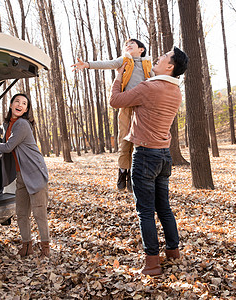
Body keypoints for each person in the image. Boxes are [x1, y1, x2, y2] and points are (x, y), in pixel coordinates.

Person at [109, 47, 189, 276]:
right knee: (163, 207)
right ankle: (173, 252)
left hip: (145, 155)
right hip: (164, 156)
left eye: (163, 57)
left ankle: (152, 263)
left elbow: (116, 101)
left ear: (170, 66)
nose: (158, 58)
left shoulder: (148, 88)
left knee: (145, 211)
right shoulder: (175, 90)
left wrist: (118, 76)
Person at [71, 38, 153, 192]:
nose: (127, 46)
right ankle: (123, 172)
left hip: (142, 110)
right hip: (126, 106)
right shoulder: (125, 60)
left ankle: (133, 177)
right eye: (126, 44)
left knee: (138, 144)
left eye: (132, 44)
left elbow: (159, 77)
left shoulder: (148, 65)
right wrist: (87, 64)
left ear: (141, 49)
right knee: (124, 142)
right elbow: (107, 63)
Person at [0, 93, 50, 258]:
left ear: (26, 109)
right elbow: (1, 128)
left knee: (39, 213)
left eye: (24, 103)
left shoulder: (22, 124)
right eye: (17, 101)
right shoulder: (10, 123)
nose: (20, 104)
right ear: (11, 105)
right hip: (21, 175)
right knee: (21, 213)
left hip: (35, 173)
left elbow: (8, 147)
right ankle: (27, 246)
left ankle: (45, 248)